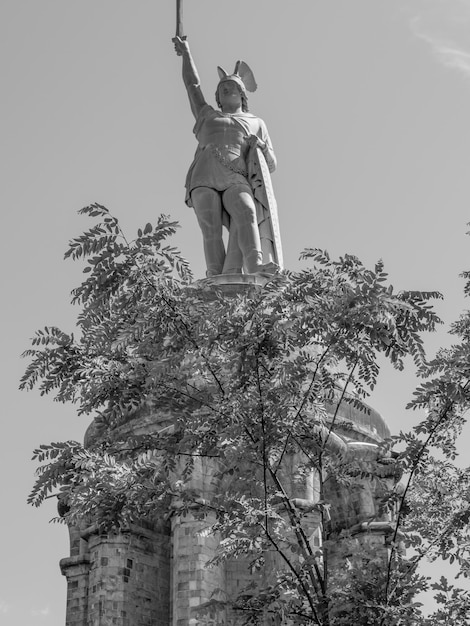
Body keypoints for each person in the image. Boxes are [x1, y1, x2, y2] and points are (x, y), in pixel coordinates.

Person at [173, 36, 282, 276]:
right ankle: (215, 274)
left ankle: (254, 266)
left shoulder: (256, 122)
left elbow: (271, 164)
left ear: (242, 93)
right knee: (210, 229)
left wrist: (261, 145)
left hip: (236, 175)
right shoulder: (207, 115)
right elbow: (192, 86)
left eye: (230, 85)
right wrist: (186, 53)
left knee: (246, 210)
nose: (224, 88)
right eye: (220, 88)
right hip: (203, 175)